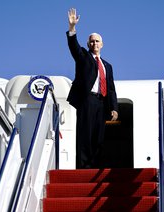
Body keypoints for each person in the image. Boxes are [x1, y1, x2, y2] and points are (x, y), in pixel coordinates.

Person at [66, 8, 118, 169]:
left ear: (102, 44)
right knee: (85, 135)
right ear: (88, 44)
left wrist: (114, 108)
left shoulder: (107, 66)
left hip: (101, 103)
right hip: (87, 100)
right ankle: (84, 168)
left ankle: (95, 167)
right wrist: (72, 28)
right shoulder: (84, 57)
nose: (94, 43)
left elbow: (111, 89)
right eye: (92, 41)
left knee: (98, 137)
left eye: (97, 41)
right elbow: (74, 46)